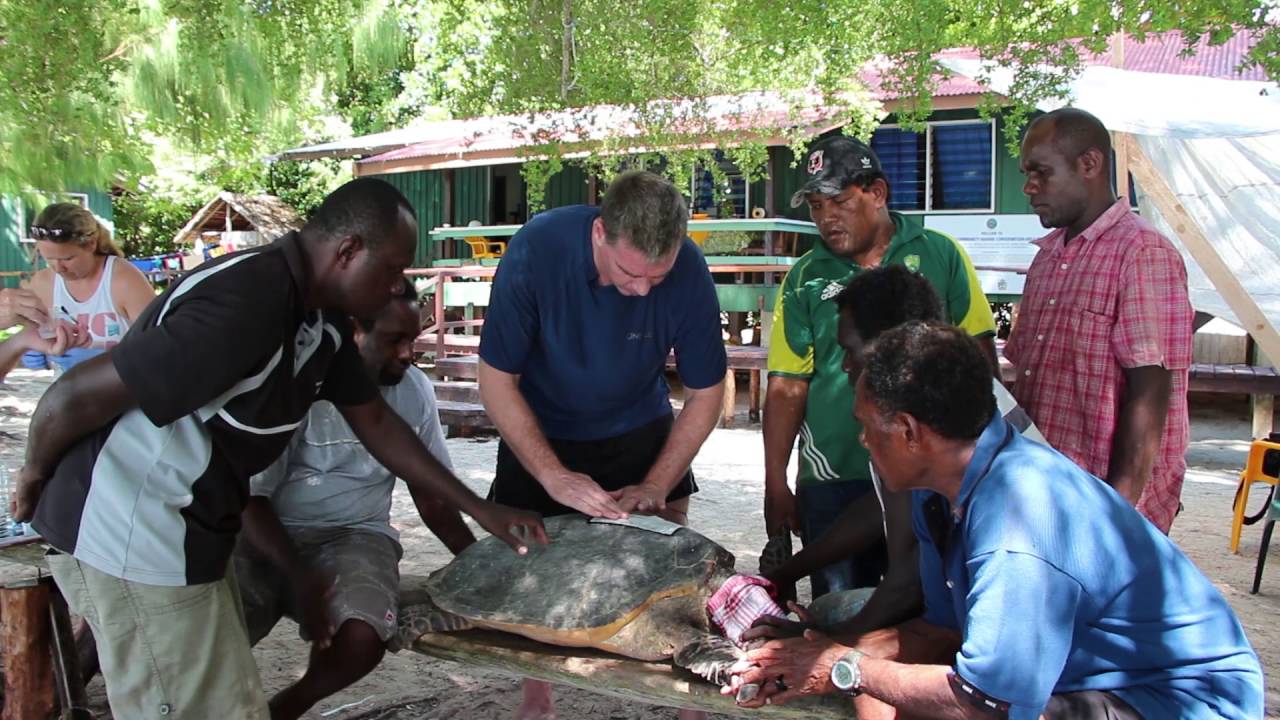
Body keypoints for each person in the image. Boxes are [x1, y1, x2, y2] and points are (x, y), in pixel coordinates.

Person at [12, 178, 546, 719]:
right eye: (391, 272)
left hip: (187, 528)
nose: (395, 288)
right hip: (130, 530)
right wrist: (32, 477)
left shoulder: (320, 317)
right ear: (347, 252)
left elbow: (378, 422)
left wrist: (483, 510)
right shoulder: (247, 302)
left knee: (230, 705)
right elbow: (75, 393)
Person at [733, 322, 1263, 719]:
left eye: (868, 426)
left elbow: (987, 704)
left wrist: (843, 668)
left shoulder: (1017, 525)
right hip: (1091, 681)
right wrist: (814, 649)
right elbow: (938, 630)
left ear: (912, 432)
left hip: (1176, 702)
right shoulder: (941, 488)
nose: (863, 440)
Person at [478, 170, 726, 719]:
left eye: (656, 279)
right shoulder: (537, 249)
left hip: (638, 421)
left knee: (669, 555)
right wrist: (551, 475)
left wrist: (657, 484)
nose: (641, 290)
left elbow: (707, 393)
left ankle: (691, 696)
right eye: (629, 273)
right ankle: (538, 698)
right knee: (531, 564)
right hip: (542, 425)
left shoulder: (687, 271)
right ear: (598, 234)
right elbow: (495, 381)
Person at [764, 134, 998, 600]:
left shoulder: (941, 254)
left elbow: (981, 359)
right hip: (833, 475)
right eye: (814, 206)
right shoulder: (805, 276)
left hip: (928, 467)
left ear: (877, 193)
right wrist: (776, 481)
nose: (825, 218)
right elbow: (788, 385)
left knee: (927, 598)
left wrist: (979, 462)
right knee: (838, 603)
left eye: (838, 202)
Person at [235, 278, 476, 720]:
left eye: (414, 338)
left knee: (364, 634)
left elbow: (433, 496)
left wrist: (478, 564)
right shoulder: (293, 386)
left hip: (355, 536)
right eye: (394, 340)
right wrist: (300, 574)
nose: (407, 354)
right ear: (351, 332)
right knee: (215, 629)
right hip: (261, 535)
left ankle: (286, 707)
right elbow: (251, 501)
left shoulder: (412, 389)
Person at [759, 265, 1043, 638]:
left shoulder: (927, 414)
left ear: (891, 350)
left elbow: (909, 582)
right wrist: (786, 573)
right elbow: (882, 507)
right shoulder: (938, 386)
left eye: (850, 351)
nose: (845, 364)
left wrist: (827, 647)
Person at [1006, 107, 1194, 533]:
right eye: (1025, 173)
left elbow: (1149, 398)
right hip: (1045, 487)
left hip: (1104, 505)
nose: (1028, 187)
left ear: (1088, 164)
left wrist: (1115, 516)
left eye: (1041, 172)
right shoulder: (1048, 258)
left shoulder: (1142, 253)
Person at [0, 202, 156, 377]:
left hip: (124, 391)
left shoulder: (123, 279)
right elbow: (34, 334)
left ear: (90, 244)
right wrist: (28, 345)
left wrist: (105, 360)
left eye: (67, 258)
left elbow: (156, 344)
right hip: (69, 391)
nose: (58, 268)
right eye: (49, 258)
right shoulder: (43, 283)